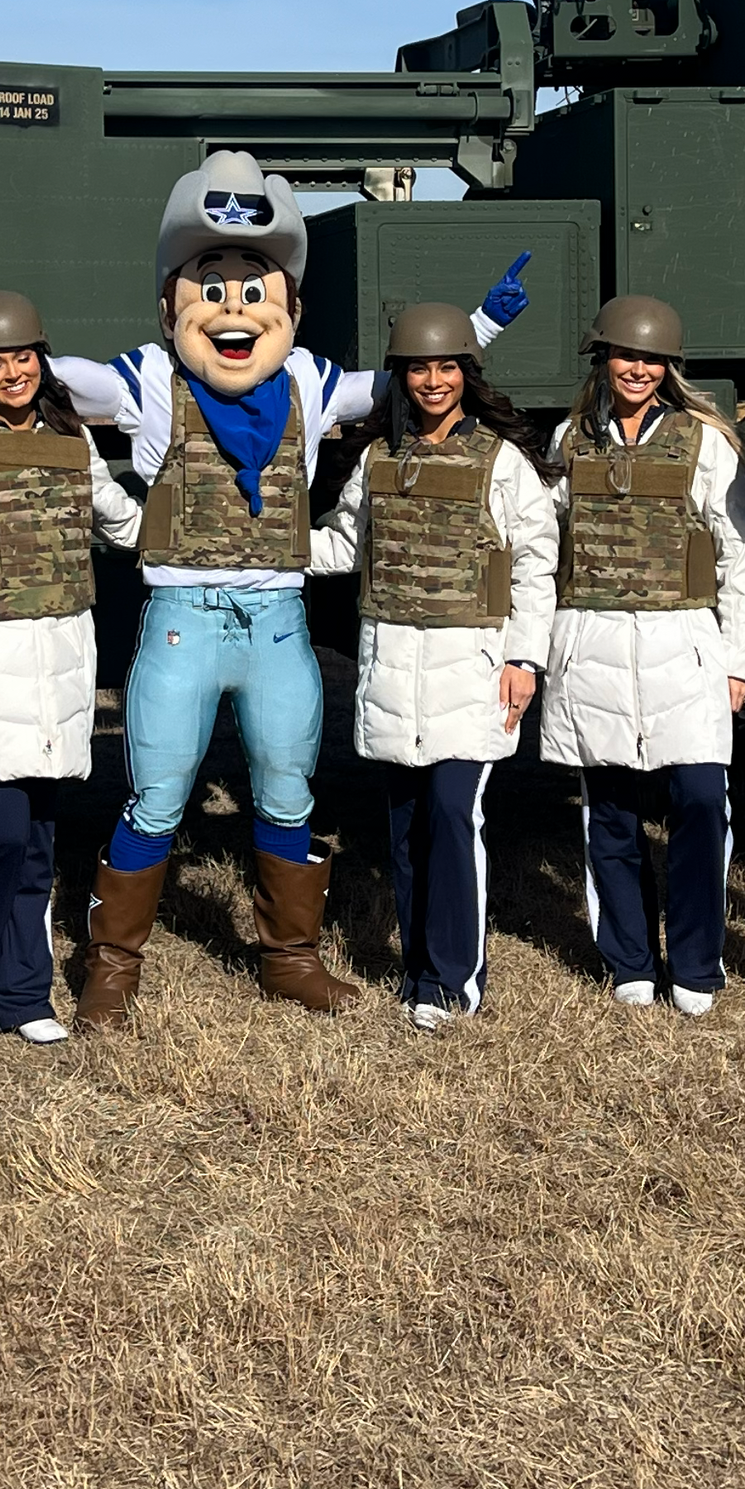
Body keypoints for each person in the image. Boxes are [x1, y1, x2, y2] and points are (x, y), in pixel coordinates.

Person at [0, 155, 528, 1027]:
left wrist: (481, 326)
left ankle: (290, 955)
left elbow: (418, 378)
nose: (233, 310)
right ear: (171, 305)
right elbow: (40, 372)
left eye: (253, 289)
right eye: (211, 290)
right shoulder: (148, 378)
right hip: (183, 621)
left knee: (287, 788)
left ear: (292, 306)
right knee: (156, 795)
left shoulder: (311, 381)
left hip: (276, 621)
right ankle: (113, 964)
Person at [308, 305, 558, 1028]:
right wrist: (266, 545)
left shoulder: (501, 462)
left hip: (470, 668)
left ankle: (454, 980)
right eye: (419, 368)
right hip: (393, 670)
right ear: (401, 376)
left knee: (452, 814)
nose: (434, 380)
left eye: (447, 366)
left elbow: (536, 562)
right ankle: (418, 971)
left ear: (466, 374)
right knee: (406, 825)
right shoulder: (378, 459)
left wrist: (524, 658)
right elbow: (344, 544)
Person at [0, 289, 142, 1045]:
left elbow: (121, 519)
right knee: (0, 835)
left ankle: (24, 994)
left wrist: (203, 524)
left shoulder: (72, 440)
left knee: (39, 839)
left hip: (57, 667)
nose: (13, 373)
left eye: (23, 358)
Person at [539, 296, 745, 1016]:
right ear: (602, 360)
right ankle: (630, 960)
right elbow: (543, 549)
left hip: (684, 647)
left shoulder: (705, 443)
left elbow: (741, 554)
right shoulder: (569, 441)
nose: (637, 369)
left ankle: (696, 963)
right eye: (624, 355)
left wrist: (739, 662)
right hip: (593, 648)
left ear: (669, 367)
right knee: (609, 812)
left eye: (651, 359)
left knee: (700, 800)